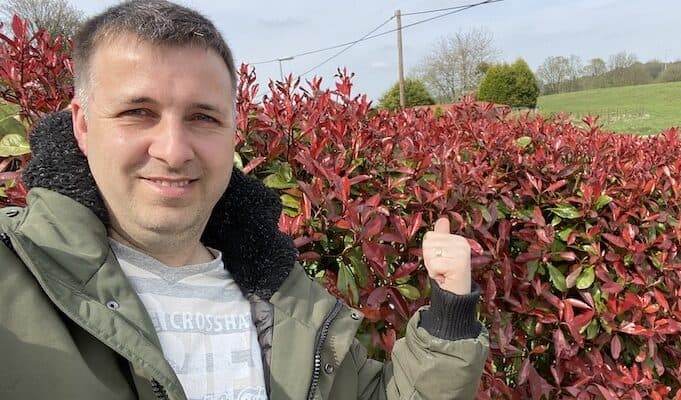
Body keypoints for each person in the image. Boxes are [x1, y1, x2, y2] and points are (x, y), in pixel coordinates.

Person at [0, 1, 489, 399]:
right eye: (137, 112)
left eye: (203, 118)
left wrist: (449, 313)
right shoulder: (15, 278)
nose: (172, 150)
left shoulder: (284, 294)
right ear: (82, 126)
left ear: (234, 132)